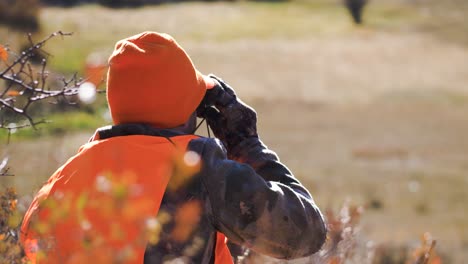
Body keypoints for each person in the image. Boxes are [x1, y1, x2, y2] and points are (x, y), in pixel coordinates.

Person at [20, 31, 326, 264]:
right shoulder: (197, 168)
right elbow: (305, 234)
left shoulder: (62, 181)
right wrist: (246, 143)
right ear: (187, 110)